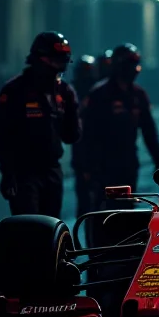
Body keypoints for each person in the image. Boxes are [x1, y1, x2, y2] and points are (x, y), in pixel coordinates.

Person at [0, 31, 81, 218]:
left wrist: (71, 112)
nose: (59, 68)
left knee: (51, 228)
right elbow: (3, 136)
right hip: (24, 172)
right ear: (41, 60)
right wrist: (8, 174)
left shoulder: (64, 92)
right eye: (56, 62)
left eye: (63, 62)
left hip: (52, 170)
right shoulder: (14, 91)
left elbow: (71, 135)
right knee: (28, 229)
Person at [81, 43, 159, 205]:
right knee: (105, 210)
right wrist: (88, 167)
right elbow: (89, 133)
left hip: (128, 161)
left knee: (126, 208)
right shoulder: (100, 94)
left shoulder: (138, 95)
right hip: (104, 163)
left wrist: (158, 162)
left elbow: (149, 130)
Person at [70, 55, 97, 217]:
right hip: (84, 151)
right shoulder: (72, 92)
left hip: (94, 154)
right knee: (85, 201)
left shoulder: (99, 93)